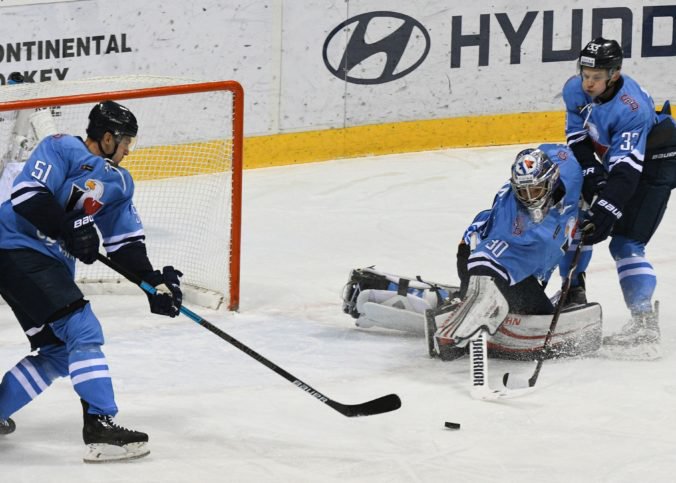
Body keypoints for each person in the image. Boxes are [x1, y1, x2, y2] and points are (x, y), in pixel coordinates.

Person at [0, 100, 184, 463]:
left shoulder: (119, 183)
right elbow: (27, 196)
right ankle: (101, 427)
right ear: (108, 136)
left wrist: (152, 283)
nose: (129, 149)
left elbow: (126, 244)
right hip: (13, 245)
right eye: (126, 141)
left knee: (58, 352)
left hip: (41, 263)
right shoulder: (61, 147)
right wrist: (69, 226)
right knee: (81, 328)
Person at [342, 144, 602, 360]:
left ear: (551, 179)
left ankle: (452, 299)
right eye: (521, 191)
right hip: (478, 256)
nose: (528, 198)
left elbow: (565, 153)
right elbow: (484, 261)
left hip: (519, 268)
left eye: (534, 190)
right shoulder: (513, 222)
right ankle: (452, 306)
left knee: (519, 311)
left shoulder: (564, 164)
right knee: (535, 319)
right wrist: (479, 301)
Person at [563, 37, 676, 359]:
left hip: (659, 162)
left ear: (614, 73)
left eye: (596, 76)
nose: (588, 82)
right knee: (581, 218)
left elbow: (626, 170)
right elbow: (577, 137)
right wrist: (590, 172)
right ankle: (573, 294)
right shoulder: (575, 88)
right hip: (621, 162)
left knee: (625, 242)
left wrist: (607, 211)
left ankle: (644, 322)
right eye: (585, 73)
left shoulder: (633, 109)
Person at [0, 72, 58, 203]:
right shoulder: (6, 103)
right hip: (11, 161)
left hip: (25, 163)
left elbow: (47, 135)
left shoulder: (32, 102)